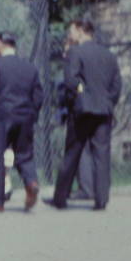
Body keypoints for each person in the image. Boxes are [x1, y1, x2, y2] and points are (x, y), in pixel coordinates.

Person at [49, 19, 121, 211]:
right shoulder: (109, 55)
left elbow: (70, 80)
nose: (69, 35)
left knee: (72, 153)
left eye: (72, 31)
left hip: (82, 111)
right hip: (104, 111)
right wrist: (107, 101)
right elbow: (116, 86)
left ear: (81, 31)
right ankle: (101, 199)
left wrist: (81, 94)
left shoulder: (75, 52)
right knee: (101, 154)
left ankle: (60, 197)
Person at [0, 31, 44, 212]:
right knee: (24, 154)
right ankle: (31, 182)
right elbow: (38, 95)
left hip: (0, 117)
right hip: (25, 116)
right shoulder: (29, 67)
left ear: (0, 43)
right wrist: (32, 114)